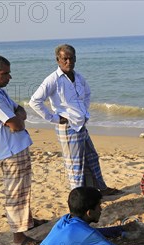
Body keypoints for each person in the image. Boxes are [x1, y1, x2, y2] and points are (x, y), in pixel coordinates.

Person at [29, 44, 120, 195]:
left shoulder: (78, 77)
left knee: (92, 158)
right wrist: (54, 118)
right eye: (65, 59)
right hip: (68, 127)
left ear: (75, 59)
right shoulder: (53, 80)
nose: (68, 62)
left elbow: (88, 94)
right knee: (75, 166)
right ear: (58, 60)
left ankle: (101, 189)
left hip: (81, 125)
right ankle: (78, 198)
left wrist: (83, 112)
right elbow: (35, 101)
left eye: (71, 58)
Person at [0, 54, 47, 245]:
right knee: (16, 192)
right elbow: (16, 123)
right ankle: (19, 238)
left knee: (23, 188)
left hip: (15, 146)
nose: (9, 77)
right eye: (5, 74)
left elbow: (20, 110)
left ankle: (27, 222)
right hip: (10, 150)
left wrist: (18, 117)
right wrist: (18, 118)